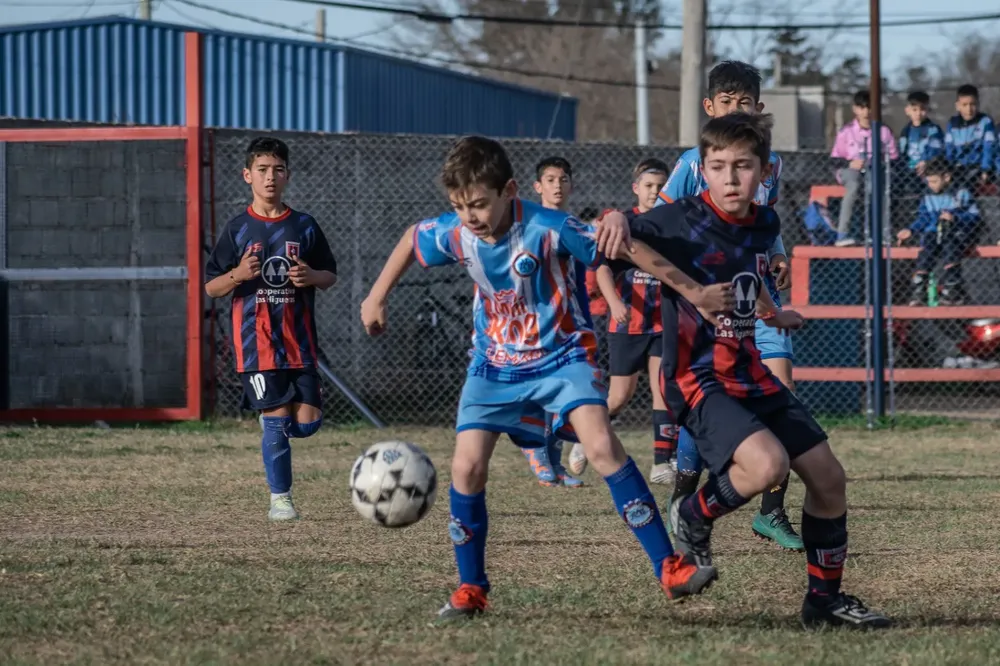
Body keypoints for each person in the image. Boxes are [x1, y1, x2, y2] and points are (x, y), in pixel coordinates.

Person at [360, 135, 728, 619]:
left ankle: (670, 567)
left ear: (509, 189)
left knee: (600, 448)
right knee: (466, 468)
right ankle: (471, 588)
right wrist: (377, 295)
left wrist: (695, 291)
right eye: (458, 206)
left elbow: (628, 248)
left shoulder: (549, 227)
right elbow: (413, 236)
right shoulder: (457, 233)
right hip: (492, 366)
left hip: (561, 359)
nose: (469, 216)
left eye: (477, 204)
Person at [602, 112, 893, 629]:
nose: (731, 178)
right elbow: (613, 245)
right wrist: (619, 220)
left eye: (743, 166)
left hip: (748, 369)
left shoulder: (763, 222)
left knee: (829, 479)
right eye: (718, 167)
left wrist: (772, 313)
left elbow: (745, 268)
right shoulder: (679, 218)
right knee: (767, 466)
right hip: (698, 377)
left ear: (764, 171)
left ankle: (823, 603)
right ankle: (692, 515)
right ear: (703, 170)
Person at [658, 60, 802, 551]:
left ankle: (772, 512)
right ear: (709, 109)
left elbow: (767, 221)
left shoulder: (772, 164)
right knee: (710, 398)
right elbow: (661, 220)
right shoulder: (691, 164)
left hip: (760, 298)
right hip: (709, 306)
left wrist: (778, 255)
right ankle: (683, 497)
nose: (737, 111)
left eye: (746, 104)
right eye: (728, 103)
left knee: (783, 392)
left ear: (760, 111)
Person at [204, 137, 338, 521]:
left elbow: (330, 275)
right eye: (262, 170)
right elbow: (211, 287)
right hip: (256, 346)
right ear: (248, 175)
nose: (270, 177)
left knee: (307, 424)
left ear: (287, 175)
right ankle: (280, 499)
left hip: (300, 344)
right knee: (278, 420)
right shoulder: (238, 229)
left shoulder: (304, 226)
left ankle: (271, 426)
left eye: (277, 170)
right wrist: (237, 274)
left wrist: (311, 275)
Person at [566, 159, 676, 486]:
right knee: (619, 397)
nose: (654, 191)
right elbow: (601, 267)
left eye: (660, 186)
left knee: (663, 390)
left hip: (663, 322)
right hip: (628, 324)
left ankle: (661, 464)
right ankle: (583, 439)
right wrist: (614, 303)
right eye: (649, 186)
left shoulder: (672, 223)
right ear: (636, 189)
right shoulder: (624, 223)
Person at [515, 156, 585, 488]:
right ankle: (537, 454)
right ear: (537, 187)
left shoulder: (571, 224)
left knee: (568, 387)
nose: (558, 185)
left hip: (568, 319)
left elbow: (583, 274)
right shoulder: (529, 226)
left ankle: (555, 463)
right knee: (544, 388)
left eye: (564, 179)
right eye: (551, 179)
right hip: (536, 321)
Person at [897, 156, 981, 306]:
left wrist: (955, 217)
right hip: (933, 232)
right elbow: (923, 218)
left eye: (934, 181)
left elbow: (974, 216)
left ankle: (952, 287)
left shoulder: (960, 193)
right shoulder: (927, 196)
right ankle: (920, 287)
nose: (931, 185)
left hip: (956, 232)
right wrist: (911, 230)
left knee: (950, 244)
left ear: (946, 177)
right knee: (926, 248)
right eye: (928, 181)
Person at [830, 90, 899, 247]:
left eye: (869, 107)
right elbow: (834, 160)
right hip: (850, 171)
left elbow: (894, 159)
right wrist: (850, 163)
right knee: (854, 186)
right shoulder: (846, 132)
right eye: (862, 108)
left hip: (874, 171)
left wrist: (879, 162)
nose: (866, 112)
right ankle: (843, 234)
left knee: (876, 187)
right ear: (855, 109)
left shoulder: (884, 131)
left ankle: (880, 234)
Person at [944, 84, 996, 191]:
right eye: (965, 104)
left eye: (973, 104)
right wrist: (948, 169)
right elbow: (949, 149)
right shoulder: (952, 124)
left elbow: (988, 148)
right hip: (959, 168)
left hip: (978, 166)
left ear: (978, 104)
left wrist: (985, 169)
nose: (969, 109)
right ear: (957, 106)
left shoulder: (985, 121)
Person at [897, 90, 945, 189]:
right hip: (909, 172)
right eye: (914, 109)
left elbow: (936, 150)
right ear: (907, 111)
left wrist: (926, 161)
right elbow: (902, 152)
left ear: (928, 109)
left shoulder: (933, 130)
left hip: (928, 170)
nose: (918, 113)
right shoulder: (905, 131)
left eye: (922, 109)